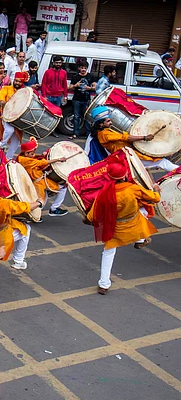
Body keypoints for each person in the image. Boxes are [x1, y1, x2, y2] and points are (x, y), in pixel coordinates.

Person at [89, 161, 162, 294]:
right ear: (124, 176)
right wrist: (156, 189)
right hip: (133, 221)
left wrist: (87, 219)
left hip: (114, 227)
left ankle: (103, 284)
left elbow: (93, 214)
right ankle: (140, 240)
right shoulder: (132, 189)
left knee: (108, 253)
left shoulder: (104, 192)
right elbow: (155, 199)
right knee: (145, 209)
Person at [0, 165, 41, 270]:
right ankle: (18, 261)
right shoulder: (2, 204)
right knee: (26, 230)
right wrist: (39, 202)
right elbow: (25, 207)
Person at [94, 111, 179, 172]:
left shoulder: (107, 130)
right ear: (101, 124)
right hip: (126, 157)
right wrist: (144, 137)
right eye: (108, 121)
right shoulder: (104, 134)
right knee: (162, 162)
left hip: (128, 154)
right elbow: (126, 138)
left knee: (151, 167)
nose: (111, 122)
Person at [17, 137, 69, 217]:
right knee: (42, 200)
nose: (34, 155)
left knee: (45, 198)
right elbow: (41, 162)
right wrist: (58, 159)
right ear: (26, 153)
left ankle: (39, 214)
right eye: (32, 153)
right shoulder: (25, 161)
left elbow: (37, 158)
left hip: (40, 181)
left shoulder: (23, 157)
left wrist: (43, 154)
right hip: (39, 183)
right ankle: (49, 211)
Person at [0, 71, 27, 158]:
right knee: (9, 130)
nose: (17, 83)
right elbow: (1, 100)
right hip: (6, 117)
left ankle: (9, 158)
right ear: (13, 80)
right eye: (16, 81)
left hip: (18, 119)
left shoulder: (24, 92)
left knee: (16, 140)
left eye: (19, 81)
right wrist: (3, 102)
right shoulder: (6, 89)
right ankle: (1, 145)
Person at [69, 60, 97, 138]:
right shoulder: (75, 77)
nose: (83, 69)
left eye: (85, 68)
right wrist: (76, 85)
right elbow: (70, 87)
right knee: (76, 117)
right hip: (76, 99)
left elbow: (95, 88)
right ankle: (75, 133)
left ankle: (88, 134)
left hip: (86, 99)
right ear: (79, 68)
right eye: (82, 68)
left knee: (87, 117)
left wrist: (89, 88)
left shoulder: (90, 76)